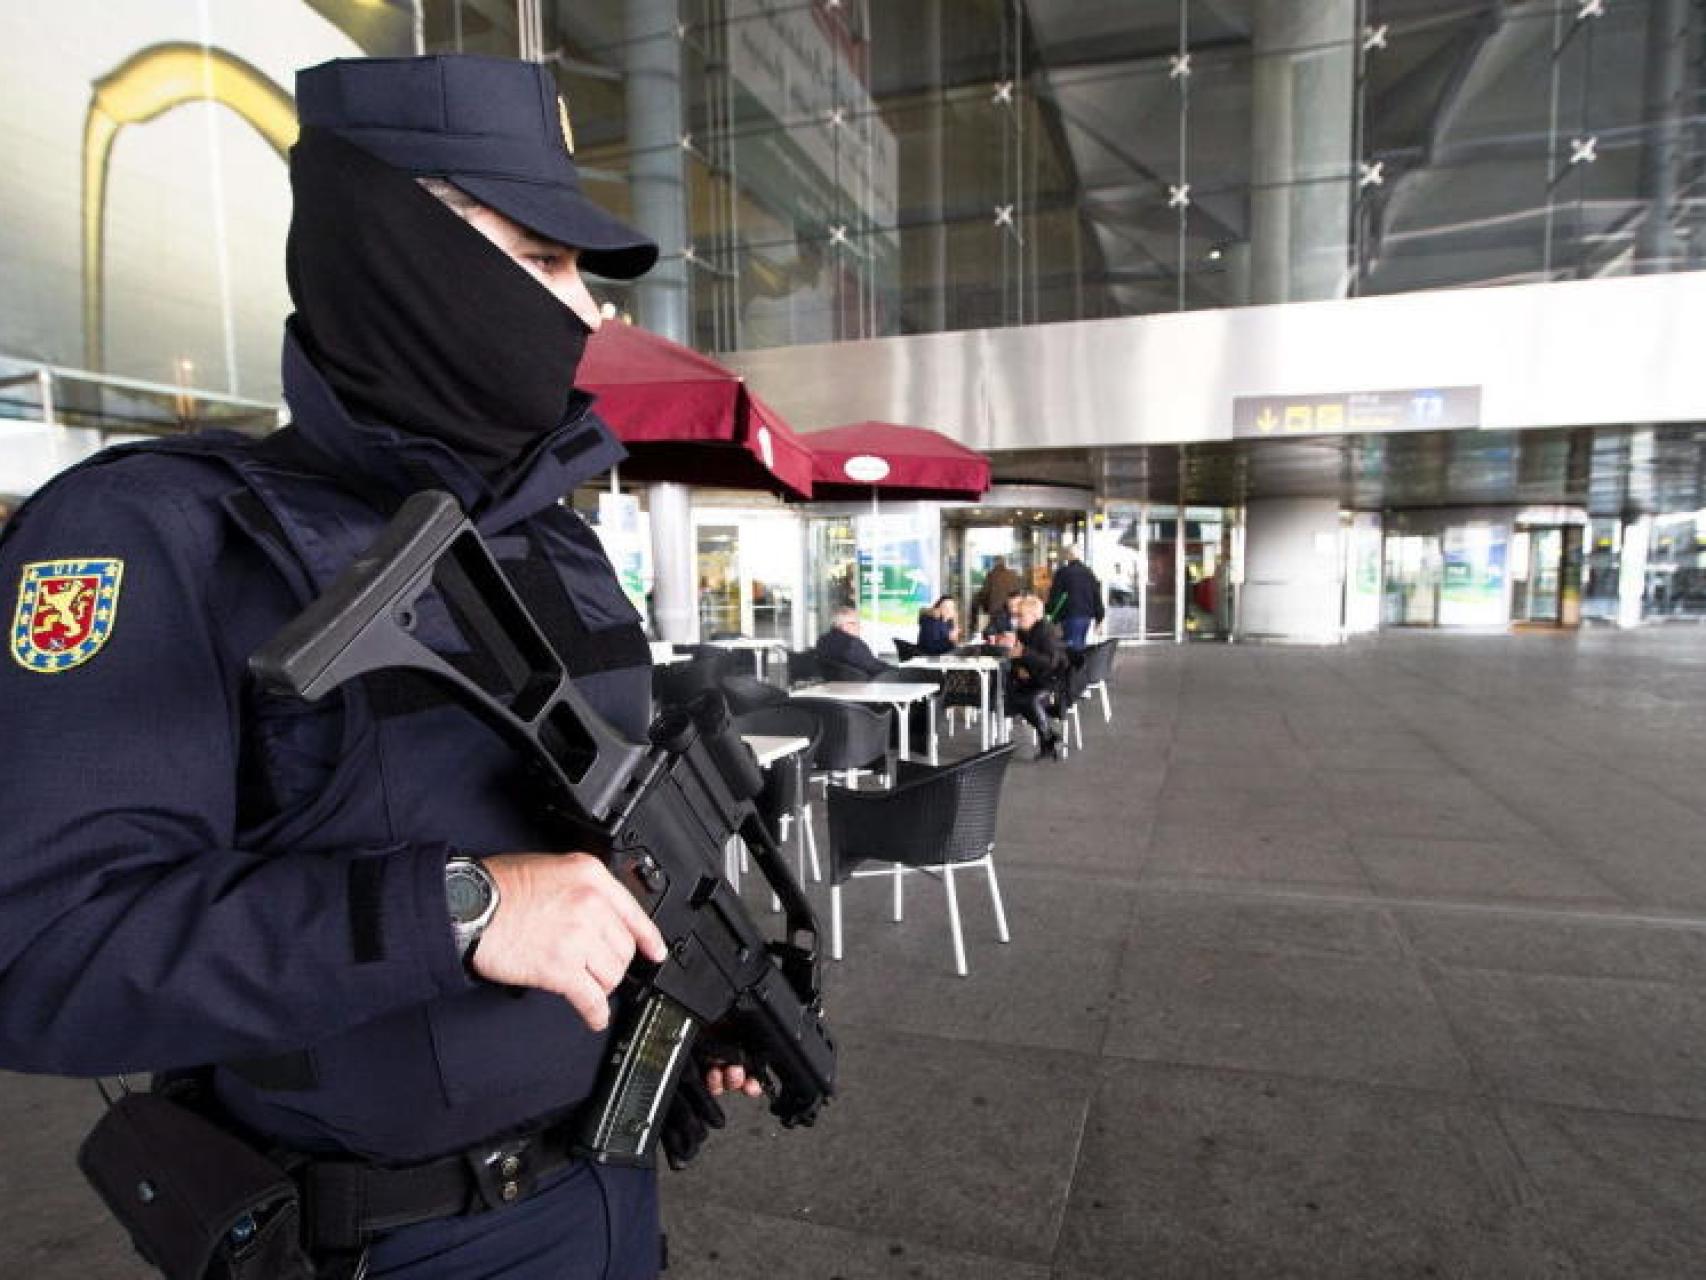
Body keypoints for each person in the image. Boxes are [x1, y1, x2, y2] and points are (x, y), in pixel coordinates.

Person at [0, 54, 758, 1279]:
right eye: (542, 259)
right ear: (408, 252)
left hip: (605, 1196)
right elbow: (39, 951)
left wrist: (683, 990)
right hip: (383, 1238)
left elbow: (596, 834)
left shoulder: (555, 534)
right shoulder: (162, 533)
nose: (583, 312)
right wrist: (456, 908)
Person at [999, 594, 1066, 759]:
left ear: (1035, 616)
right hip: (1033, 678)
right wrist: (1019, 666)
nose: (1017, 619)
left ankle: (1048, 738)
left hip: (1052, 680)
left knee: (1029, 700)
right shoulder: (1023, 632)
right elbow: (1018, 657)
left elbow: (1051, 662)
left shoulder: (1047, 632)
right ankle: (1050, 737)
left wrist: (1024, 654)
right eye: (1016, 615)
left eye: (1021, 615)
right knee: (1011, 697)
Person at [1047, 543, 1105, 650]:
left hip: (1070, 616)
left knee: (1072, 648)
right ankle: (1080, 665)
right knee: (1080, 644)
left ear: (1068, 555)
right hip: (1086, 617)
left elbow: (1055, 596)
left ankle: (1077, 666)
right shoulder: (1089, 573)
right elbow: (1096, 596)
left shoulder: (1063, 573)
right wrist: (1099, 617)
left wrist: (1050, 614)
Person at [815, 604, 890, 678]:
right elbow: (873, 666)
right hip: (859, 686)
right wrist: (897, 671)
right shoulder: (851, 643)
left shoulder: (822, 641)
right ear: (844, 625)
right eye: (854, 623)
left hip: (831, 686)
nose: (859, 627)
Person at [975, 556, 1021, 630]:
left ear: (995, 563)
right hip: (1011, 608)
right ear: (1004, 563)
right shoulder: (1013, 574)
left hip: (995, 610)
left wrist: (985, 607)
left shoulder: (991, 575)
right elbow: (1017, 591)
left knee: (995, 629)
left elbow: (984, 593)